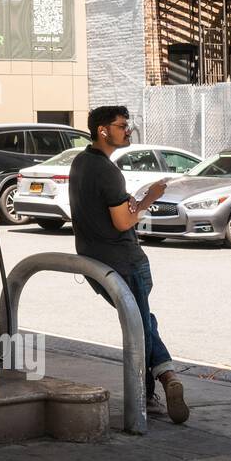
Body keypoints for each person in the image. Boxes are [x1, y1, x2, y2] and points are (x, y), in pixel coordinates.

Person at [69, 105, 189, 424]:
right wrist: (150, 197)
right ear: (103, 130)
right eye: (121, 126)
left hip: (94, 262)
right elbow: (123, 222)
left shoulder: (81, 163)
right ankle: (150, 392)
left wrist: (131, 203)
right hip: (123, 261)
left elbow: (104, 212)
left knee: (142, 320)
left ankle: (165, 377)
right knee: (140, 326)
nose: (127, 131)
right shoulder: (108, 171)